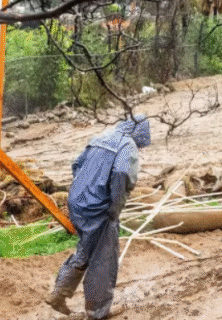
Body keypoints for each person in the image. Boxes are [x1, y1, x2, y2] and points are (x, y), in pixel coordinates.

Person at [45, 115, 151, 318]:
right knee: (103, 258)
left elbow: (76, 165)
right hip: (98, 209)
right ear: (140, 133)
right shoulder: (127, 145)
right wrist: (114, 207)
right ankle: (97, 312)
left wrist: (85, 188)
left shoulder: (102, 137)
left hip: (77, 203)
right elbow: (121, 174)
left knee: (86, 249)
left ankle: (59, 294)